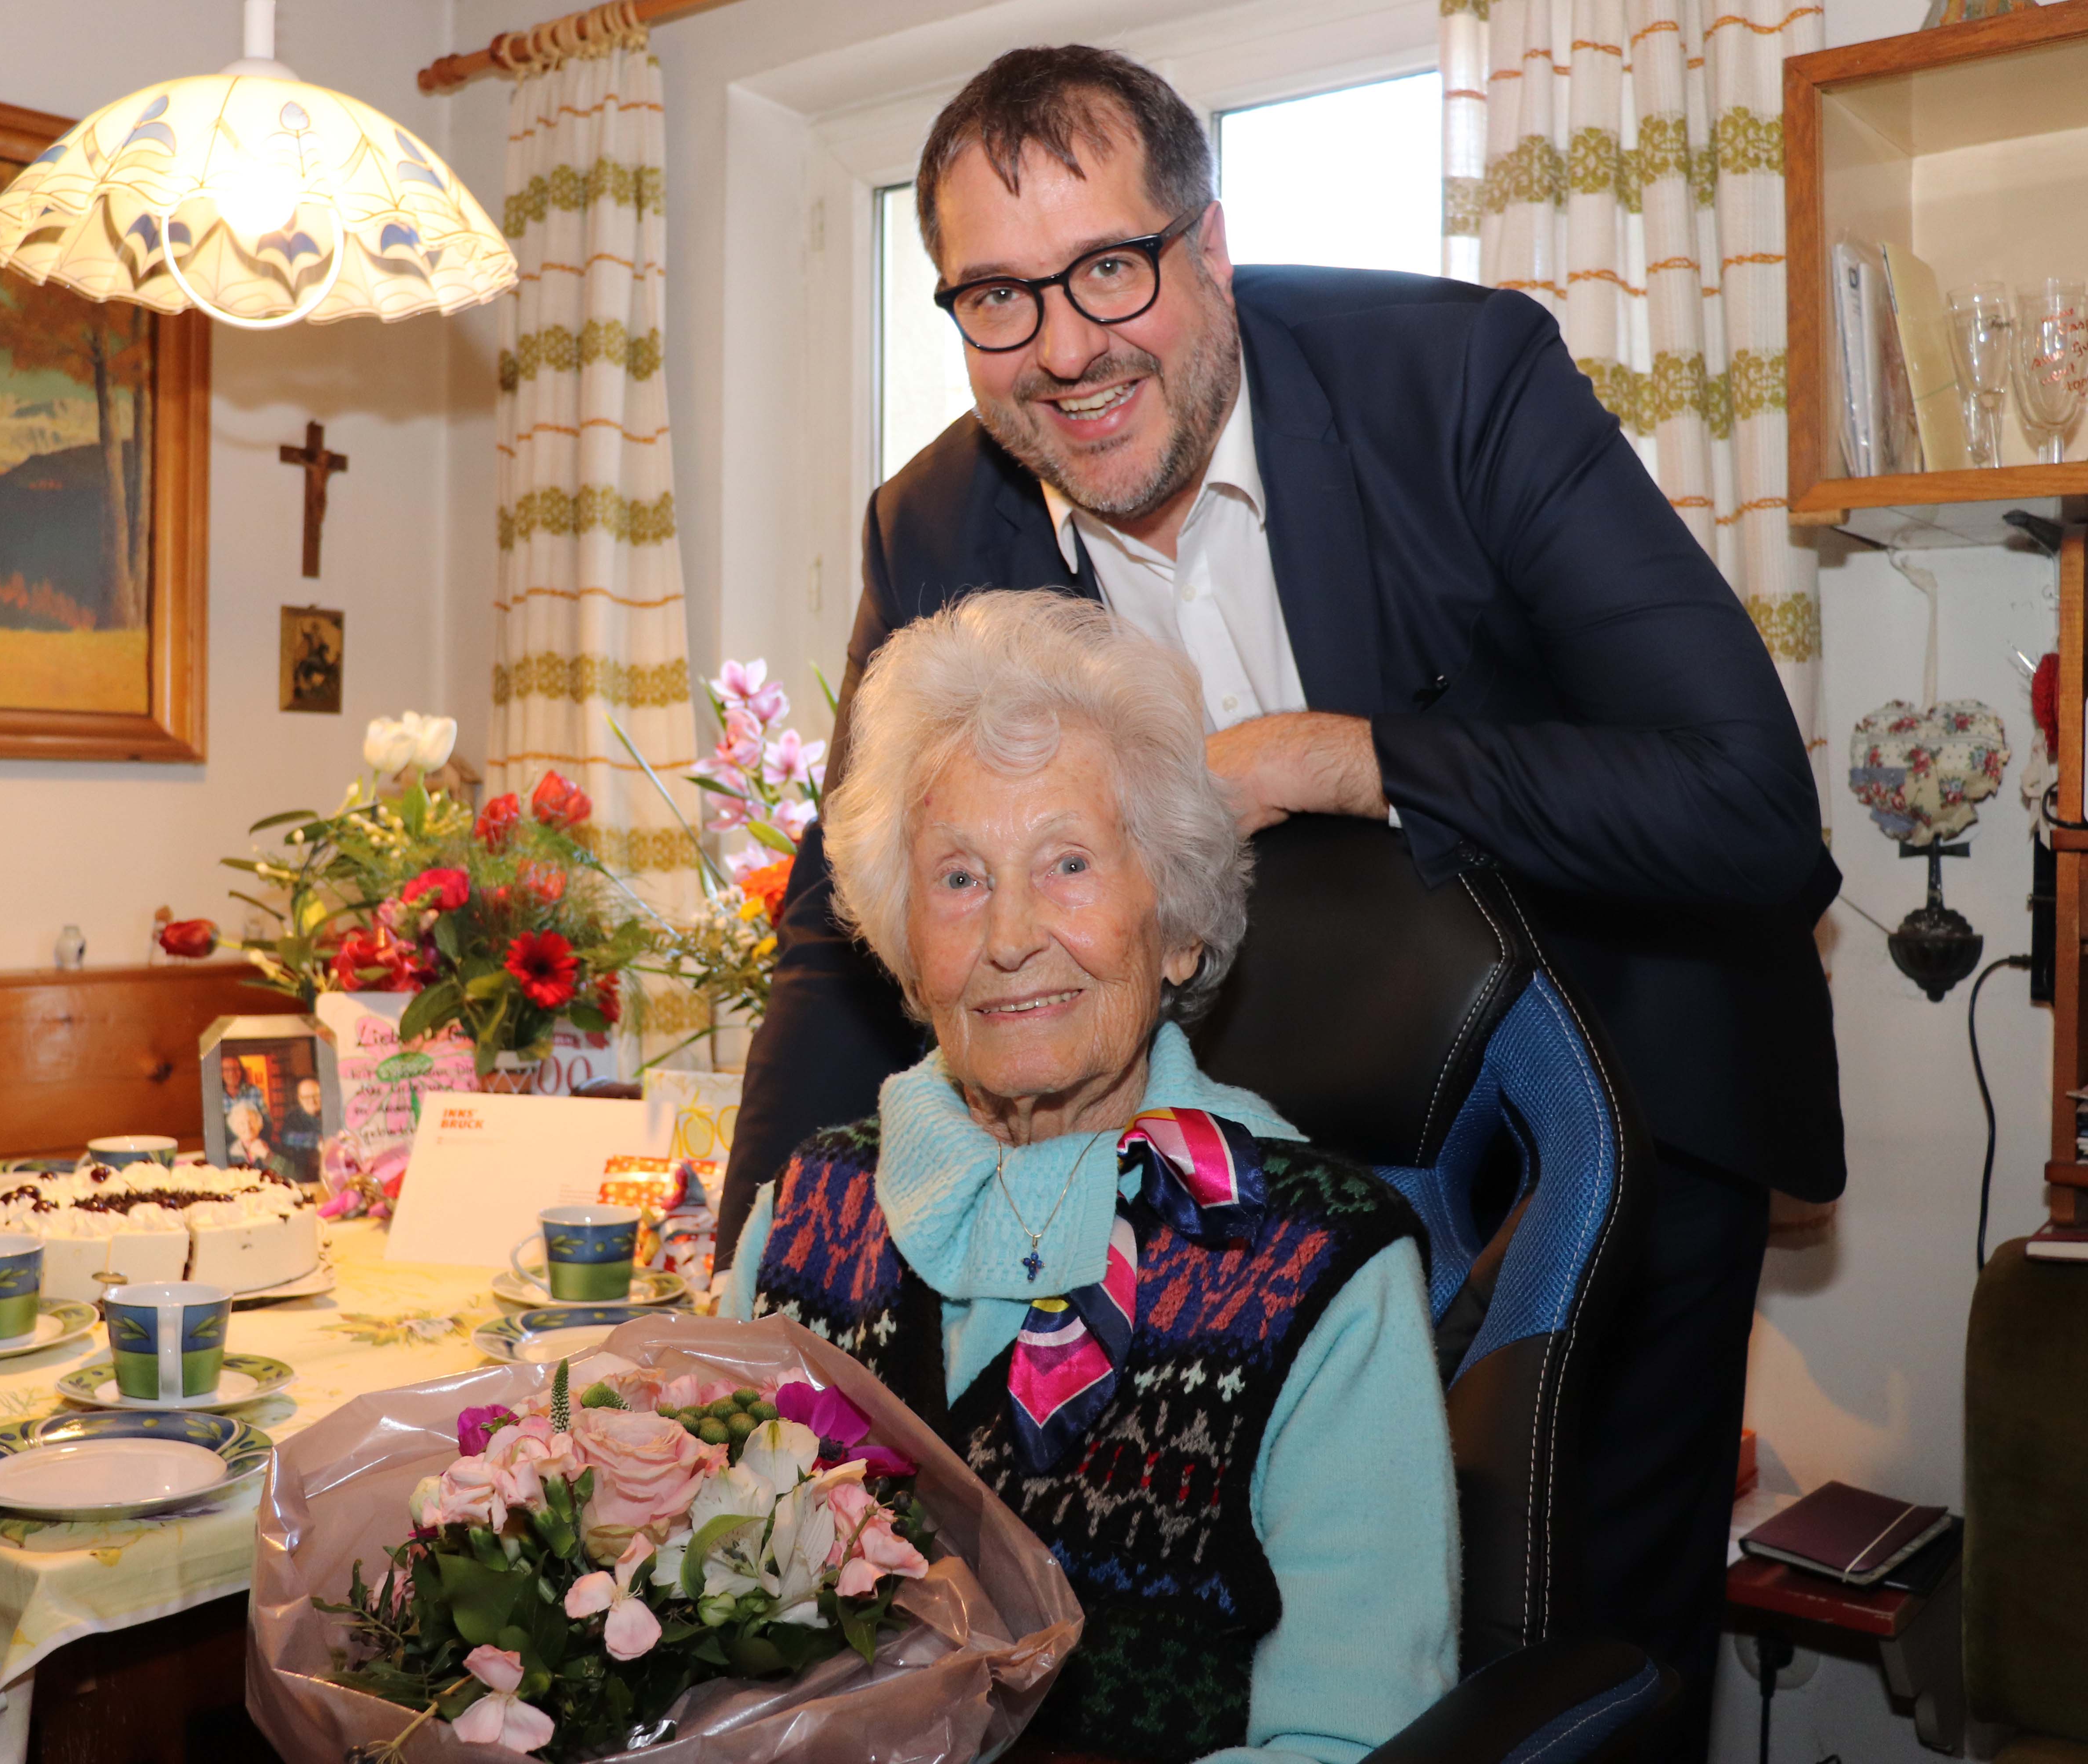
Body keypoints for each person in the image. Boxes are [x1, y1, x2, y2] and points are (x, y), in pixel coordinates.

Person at [722, 46, 1843, 1764]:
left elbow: (1749, 806)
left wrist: (1339, 756)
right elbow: (835, 926)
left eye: (1113, 267)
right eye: (999, 299)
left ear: (1211, 245)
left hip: (1600, 1110)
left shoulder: (1458, 381)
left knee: (1593, 1642)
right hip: (1225, 1159)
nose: (1071, 347)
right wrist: (738, 1316)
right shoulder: (936, 517)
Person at [722, 593, 1459, 1764]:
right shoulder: (806, 1218)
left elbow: (1347, 1739)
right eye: (958, 879)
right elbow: (703, 1639)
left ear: (1175, 928)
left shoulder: (1319, 1268)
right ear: (910, 950)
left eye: (1067, 863)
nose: (1012, 934)